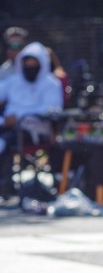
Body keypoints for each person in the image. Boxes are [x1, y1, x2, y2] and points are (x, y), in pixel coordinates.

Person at [0, 42, 64, 198]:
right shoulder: (13, 82)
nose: (30, 69)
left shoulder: (51, 84)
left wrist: (20, 117)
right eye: (27, 65)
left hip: (34, 130)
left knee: (5, 142)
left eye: (34, 65)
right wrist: (4, 121)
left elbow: (53, 110)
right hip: (7, 127)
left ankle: (5, 185)